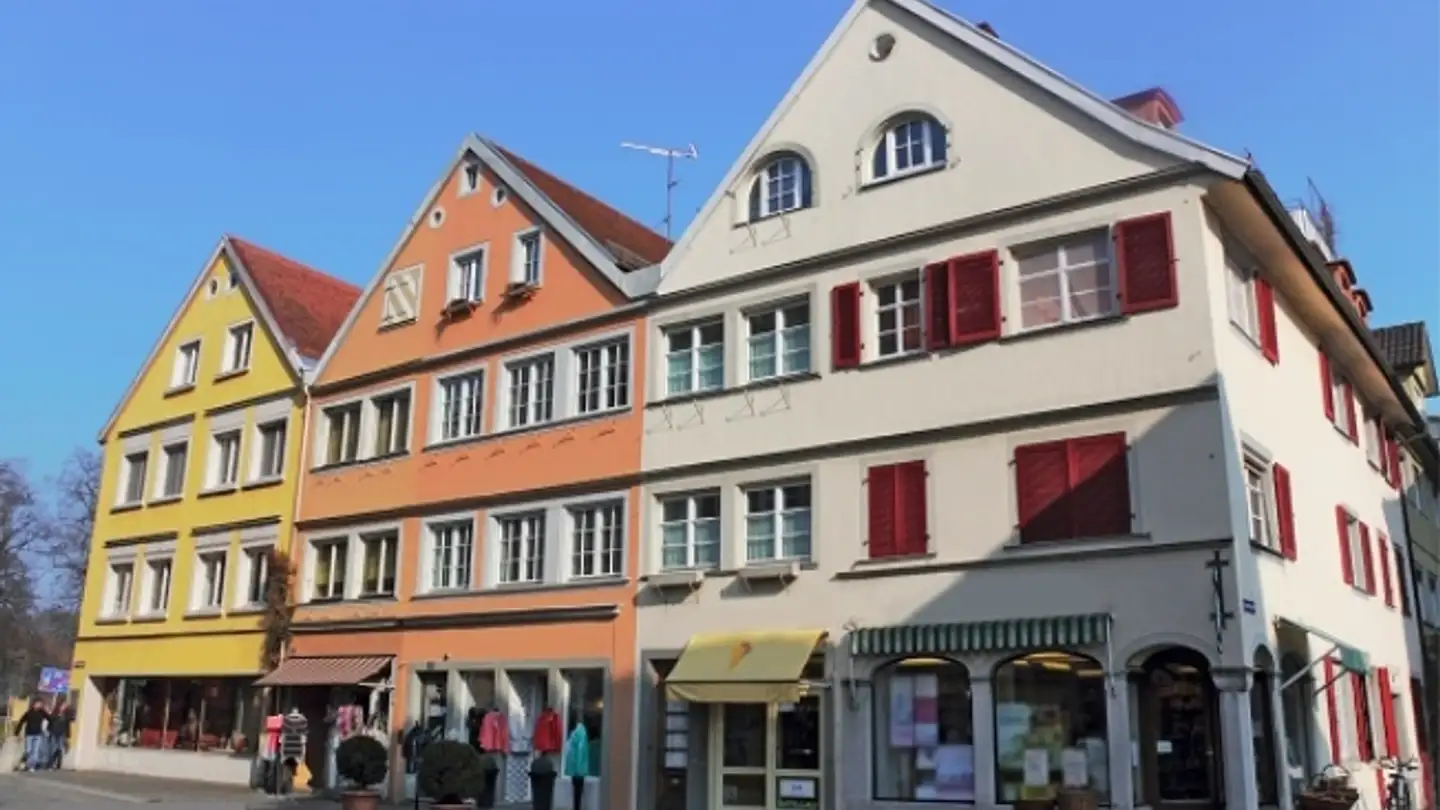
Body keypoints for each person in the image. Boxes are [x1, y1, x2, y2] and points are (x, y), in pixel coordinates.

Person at [12, 700, 49, 772]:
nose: (39, 706)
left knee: (35, 752)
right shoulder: (29, 713)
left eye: (40, 704)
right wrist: (17, 732)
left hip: (38, 734)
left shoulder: (42, 713)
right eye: (38, 704)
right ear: (33, 705)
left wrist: (48, 729)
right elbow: (21, 721)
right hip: (29, 734)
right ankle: (22, 763)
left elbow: (49, 719)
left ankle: (31, 766)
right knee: (28, 750)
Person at [47, 699, 72, 770]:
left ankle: (58, 764)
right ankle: (50, 764)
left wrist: (68, 736)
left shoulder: (66, 715)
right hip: (54, 733)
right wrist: (49, 730)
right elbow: (50, 721)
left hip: (62, 734)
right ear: (59, 706)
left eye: (65, 706)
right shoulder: (55, 713)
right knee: (53, 749)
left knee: (59, 749)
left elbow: (67, 726)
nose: (64, 707)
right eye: (63, 705)